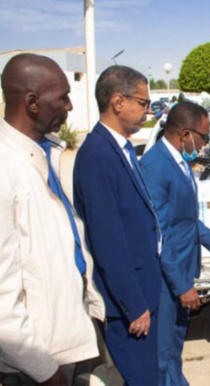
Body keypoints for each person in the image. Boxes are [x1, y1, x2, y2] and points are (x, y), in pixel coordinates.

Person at [0, 53, 104, 385]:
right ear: (31, 102)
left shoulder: (45, 154)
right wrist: (44, 370)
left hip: (65, 347)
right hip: (30, 367)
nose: (69, 106)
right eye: (62, 97)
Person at [73, 65, 162, 385]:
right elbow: (108, 240)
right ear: (118, 101)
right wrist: (133, 304)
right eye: (143, 102)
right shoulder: (97, 155)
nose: (148, 111)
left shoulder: (120, 147)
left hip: (143, 293)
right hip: (128, 306)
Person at [139, 101, 210, 385]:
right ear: (185, 134)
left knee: (174, 345)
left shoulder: (179, 162)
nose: (206, 144)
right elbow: (159, 232)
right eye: (204, 137)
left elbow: (184, 219)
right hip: (166, 277)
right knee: (161, 353)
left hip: (182, 268)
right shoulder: (154, 167)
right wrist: (182, 285)